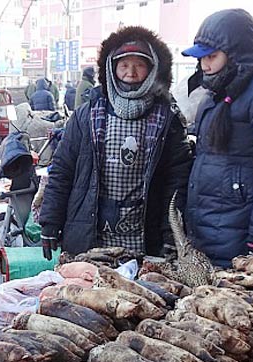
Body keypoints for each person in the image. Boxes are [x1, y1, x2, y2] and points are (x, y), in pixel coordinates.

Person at [39, 26, 192, 258]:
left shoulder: (167, 120)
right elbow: (63, 170)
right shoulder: (87, 115)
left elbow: (177, 182)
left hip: (144, 240)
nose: (131, 72)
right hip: (91, 236)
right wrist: (50, 222)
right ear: (112, 69)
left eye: (139, 65)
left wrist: (172, 234)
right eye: (124, 65)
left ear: (152, 70)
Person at [181, 9, 253, 266]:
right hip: (207, 230)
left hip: (241, 234)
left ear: (236, 54)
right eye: (202, 58)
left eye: (212, 56)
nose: (205, 65)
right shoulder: (213, 95)